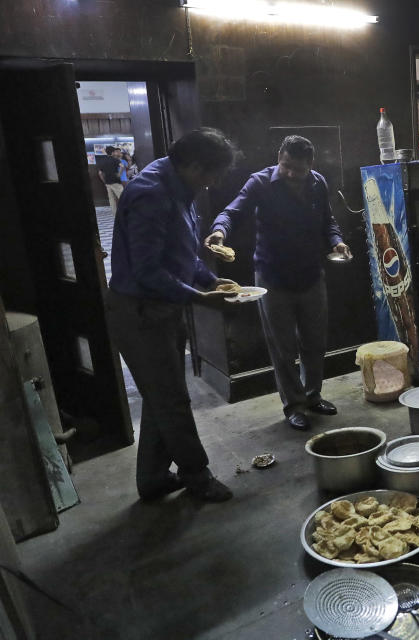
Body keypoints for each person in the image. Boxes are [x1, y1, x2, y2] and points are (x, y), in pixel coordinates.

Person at [107, 127, 240, 502]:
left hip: (163, 307)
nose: (213, 183)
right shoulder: (151, 193)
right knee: (172, 400)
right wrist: (199, 298)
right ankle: (197, 475)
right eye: (212, 174)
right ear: (195, 166)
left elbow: (182, 254)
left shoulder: (182, 188)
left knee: (160, 395)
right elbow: (148, 271)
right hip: (140, 313)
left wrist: (210, 281)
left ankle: (151, 478)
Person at [205, 135, 350, 431]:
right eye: (285, 166)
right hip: (272, 278)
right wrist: (219, 231)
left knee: (315, 342)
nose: (289, 173)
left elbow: (328, 222)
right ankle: (293, 406)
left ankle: (312, 396)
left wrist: (337, 242)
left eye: (297, 169)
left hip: (311, 275)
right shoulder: (259, 183)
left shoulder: (318, 183)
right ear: (279, 157)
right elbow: (232, 211)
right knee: (282, 348)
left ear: (311, 165)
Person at [97, 145, 124, 214]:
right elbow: (122, 166)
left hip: (107, 183)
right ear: (112, 152)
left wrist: (104, 181)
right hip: (116, 181)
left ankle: (115, 216)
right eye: (115, 151)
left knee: (112, 201)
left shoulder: (102, 161)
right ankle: (125, 214)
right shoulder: (115, 159)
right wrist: (119, 174)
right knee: (123, 198)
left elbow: (100, 173)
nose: (116, 153)